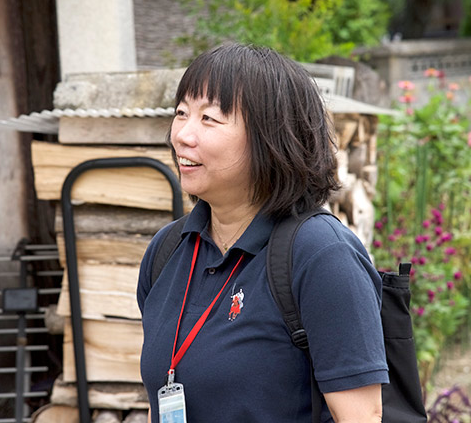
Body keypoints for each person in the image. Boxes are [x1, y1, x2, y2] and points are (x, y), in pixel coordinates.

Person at [136, 43, 389, 422]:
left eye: (209, 119)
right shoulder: (167, 252)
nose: (182, 135)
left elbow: (362, 417)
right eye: (181, 113)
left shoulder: (321, 255)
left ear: (269, 138)